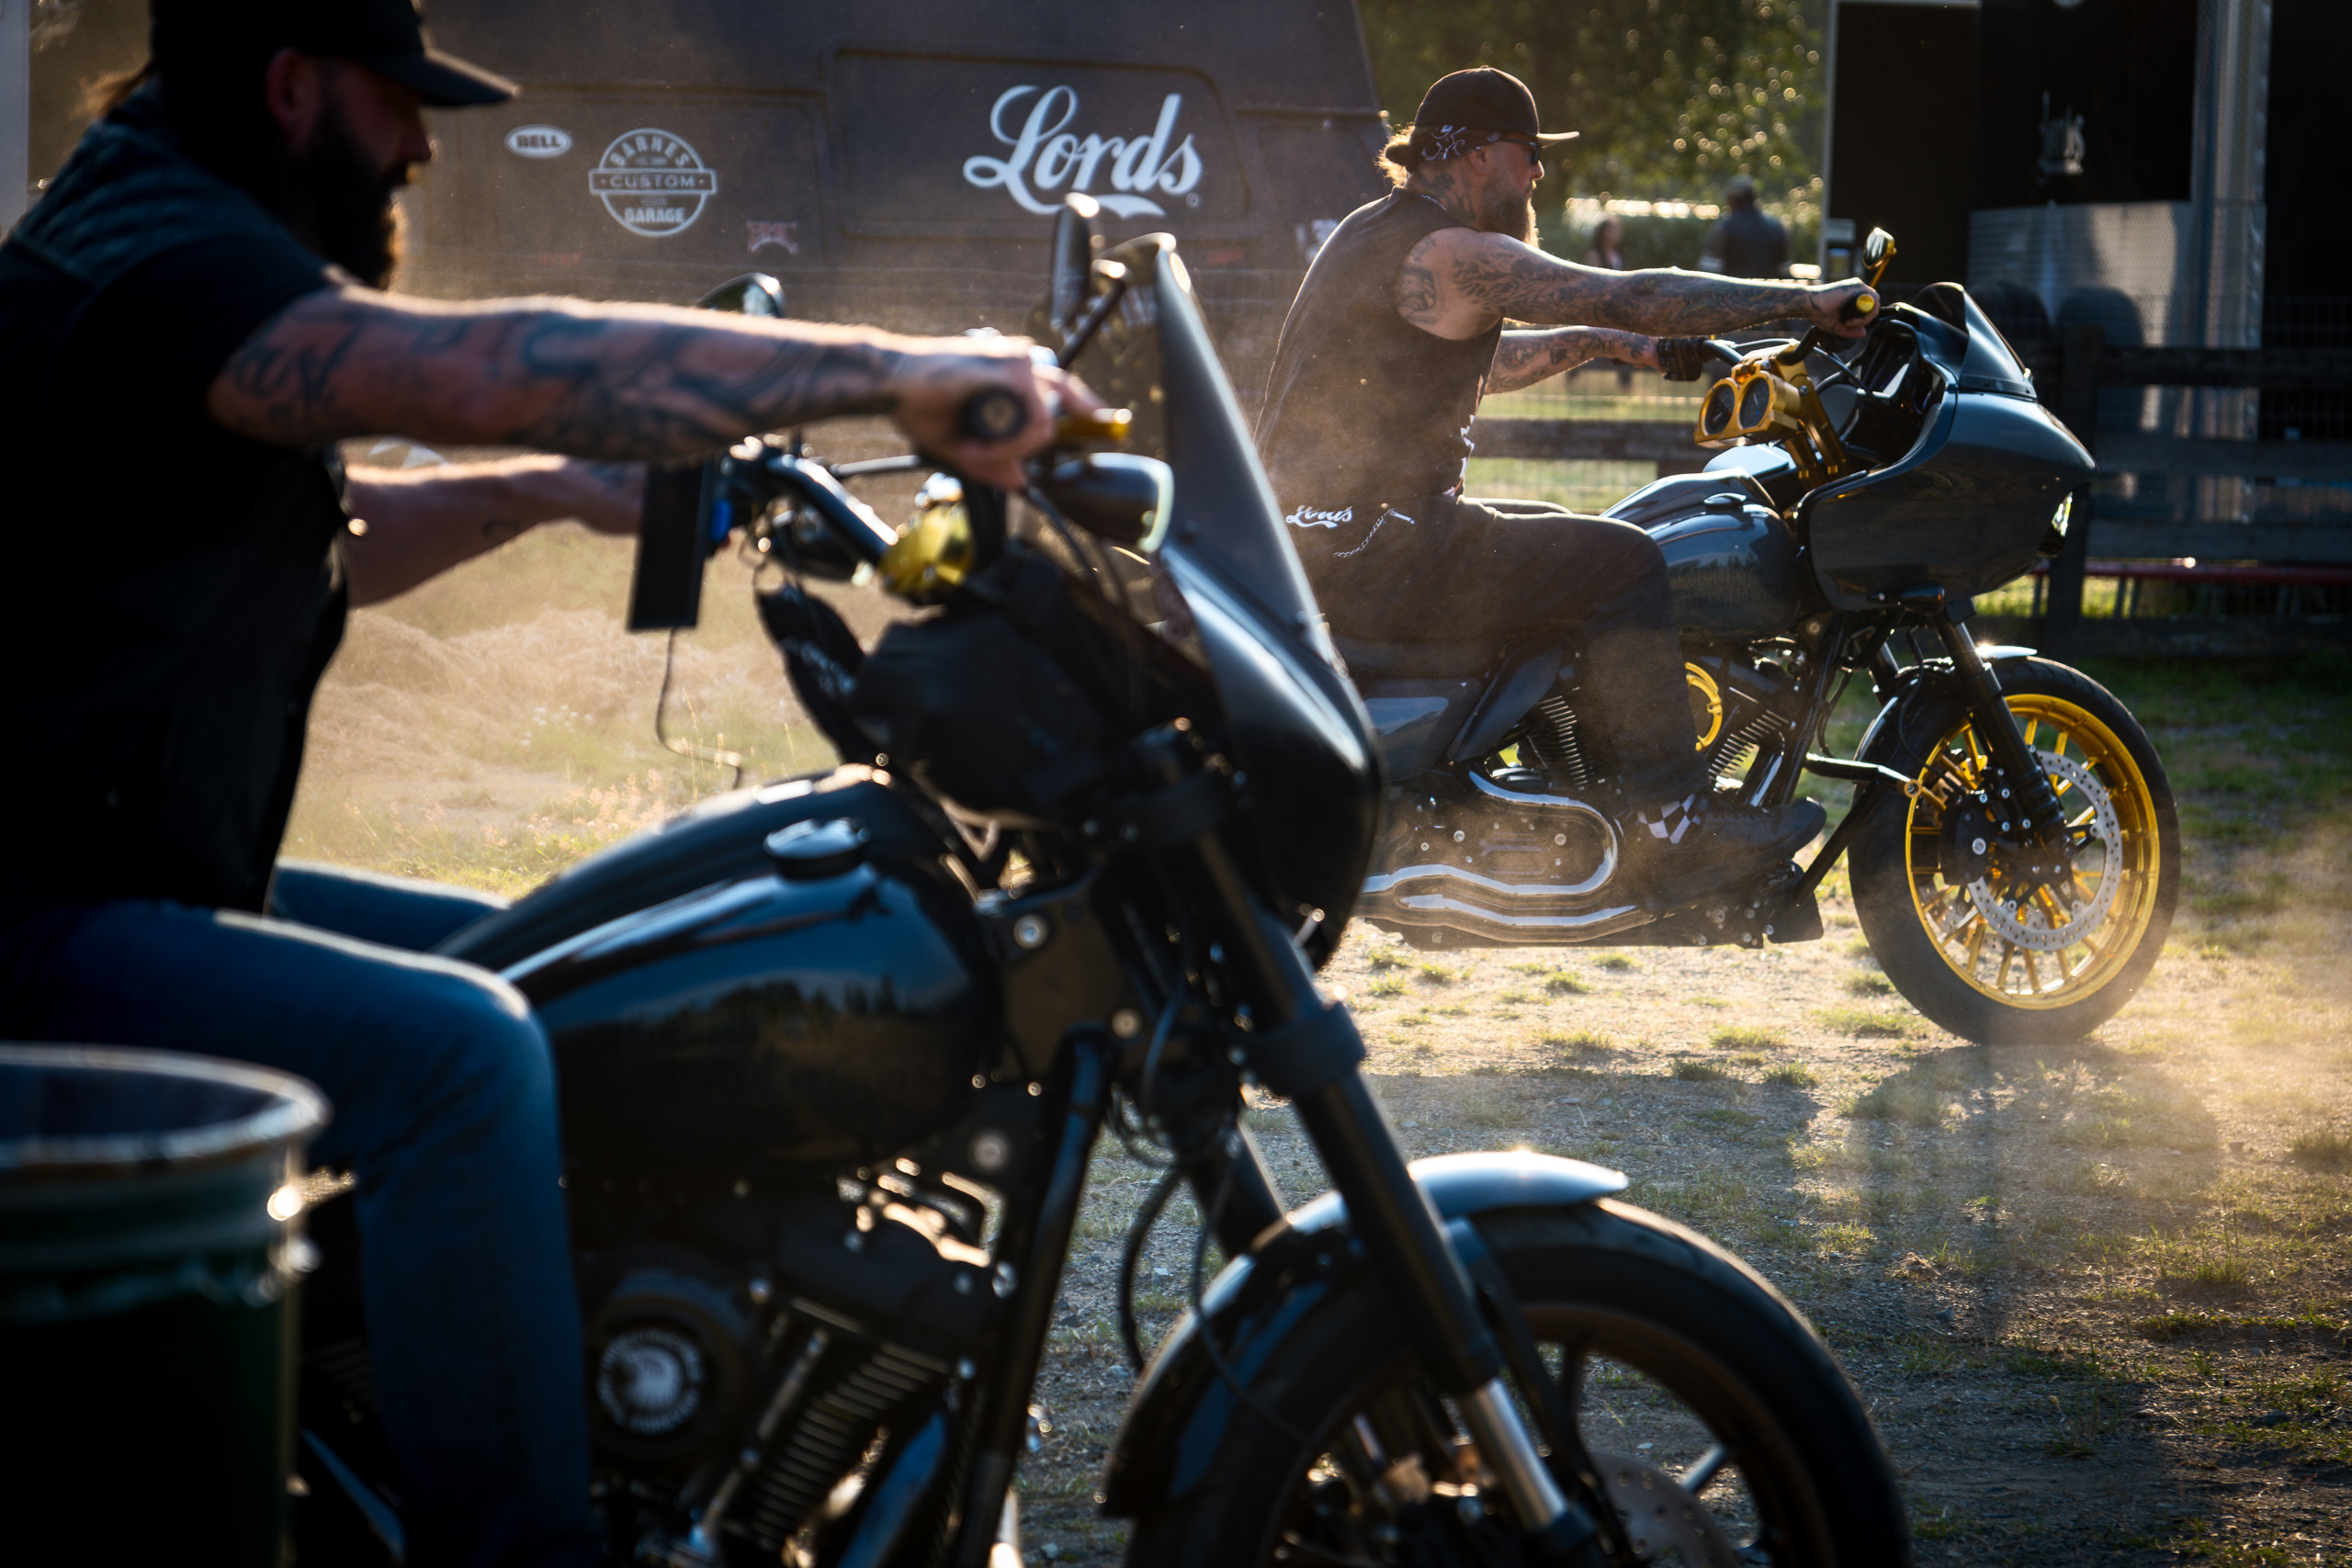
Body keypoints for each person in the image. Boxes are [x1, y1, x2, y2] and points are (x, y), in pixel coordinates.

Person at [0, 2, 1085, 1562]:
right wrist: (892, 373)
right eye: (397, 103)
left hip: (124, 883)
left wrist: (547, 492)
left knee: (552, 961)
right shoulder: (175, 259)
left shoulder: (159, 228)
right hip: (42, 925)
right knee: (461, 1054)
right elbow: (477, 365)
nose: (425, 143)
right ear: (293, 88)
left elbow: (315, 526)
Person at [1256, 67, 1867, 897]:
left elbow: (1481, 361)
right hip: (1384, 547)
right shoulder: (1453, 250)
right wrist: (1806, 303)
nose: (1539, 174)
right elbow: (1634, 294)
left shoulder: (1378, 234)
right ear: (1474, 156)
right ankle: (1671, 818)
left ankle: (1565, 775)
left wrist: (1621, 351)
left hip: (1322, 538)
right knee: (1626, 560)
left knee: (1553, 525)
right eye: (1529, 153)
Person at [1700, 172, 1792, 278]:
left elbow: (1708, 272)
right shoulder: (1776, 226)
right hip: (1767, 292)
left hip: (1733, 293)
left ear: (1732, 199)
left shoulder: (1724, 227)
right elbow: (1785, 271)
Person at [1581, 215, 1634, 391]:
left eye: (1617, 229)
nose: (1615, 234)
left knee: (1625, 345)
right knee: (1591, 348)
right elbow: (1590, 285)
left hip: (1616, 311)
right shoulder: (1595, 256)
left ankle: (1625, 387)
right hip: (1599, 312)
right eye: (1611, 230)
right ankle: (1572, 380)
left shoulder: (1618, 256)